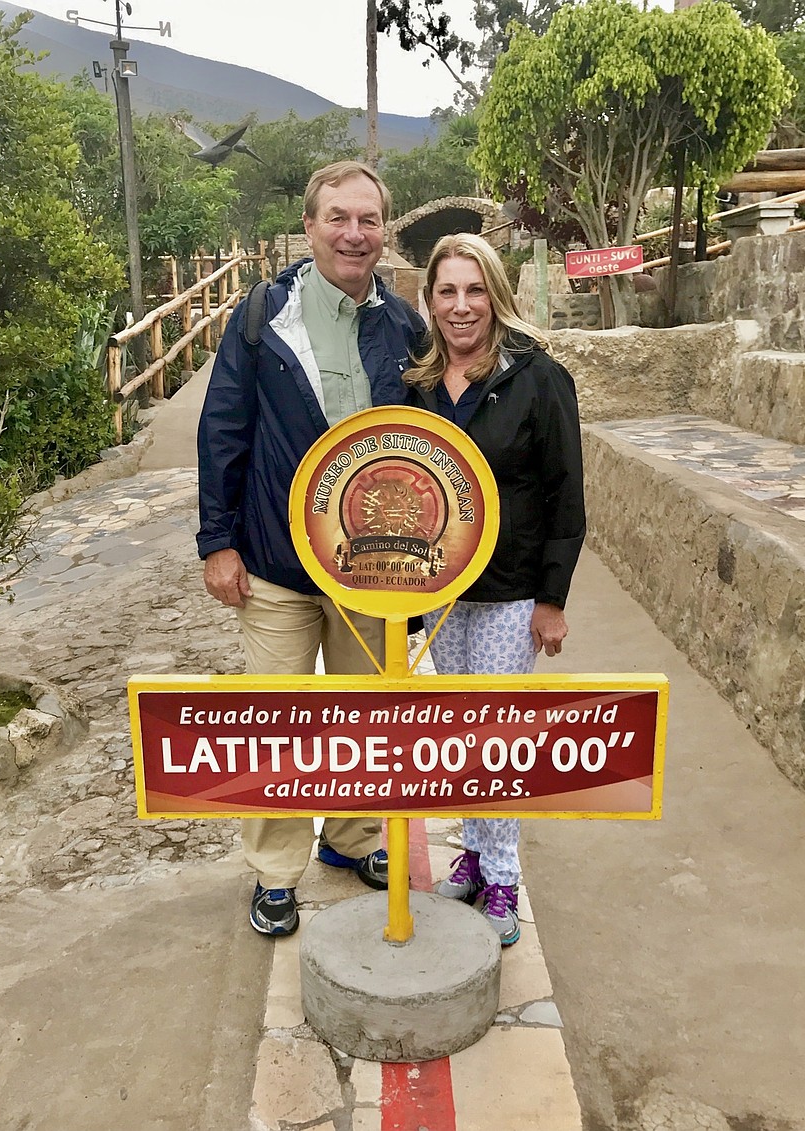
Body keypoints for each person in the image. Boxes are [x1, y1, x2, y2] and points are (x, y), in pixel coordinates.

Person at [197, 161, 426, 938]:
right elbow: (222, 429)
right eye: (338, 217)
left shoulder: (405, 326)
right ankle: (274, 872)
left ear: (384, 231)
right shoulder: (265, 315)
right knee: (280, 721)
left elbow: (431, 450)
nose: (354, 233)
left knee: (362, 713)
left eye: (368, 219)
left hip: (372, 571)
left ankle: (354, 837)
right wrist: (217, 541)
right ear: (310, 226)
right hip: (278, 564)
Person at [403, 233, 586, 947]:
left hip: (512, 591)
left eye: (474, 290)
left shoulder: (539, 379)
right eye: (447, 291)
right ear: (431, 299)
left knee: (499, 735)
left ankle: (504, 872)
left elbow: (565, 493)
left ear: (497, 294)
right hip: (446, 593)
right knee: (464, 733)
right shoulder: (416, 384)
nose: (461, 306)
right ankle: (474, 854)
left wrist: (552, 597)